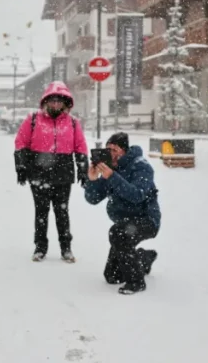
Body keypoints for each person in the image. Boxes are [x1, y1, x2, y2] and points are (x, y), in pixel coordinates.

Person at [14, 81, 88, 262]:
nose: (55, 104)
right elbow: (21, 142)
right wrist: (21, 166)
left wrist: (83, 168)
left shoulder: (73, 123)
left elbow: (80, 146)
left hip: (63, 173)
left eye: (59, 101)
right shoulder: (33, 119)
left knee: (62, 212)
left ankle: (66, 248)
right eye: (52, 100)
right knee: (41, 212)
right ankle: (40, 247)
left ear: (65, 103)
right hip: (38, 172)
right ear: (46, 101)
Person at [84, 132, 161, 295]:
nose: (110, 153)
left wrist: (112, 177)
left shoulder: (141, 166)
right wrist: (92, 180)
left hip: (147, 220)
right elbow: (93, 199)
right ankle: (143, 258)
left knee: (118, 233)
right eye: (108, 149)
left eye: (114, 149)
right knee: (112, 276)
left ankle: (136, 282)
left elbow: (137, 195)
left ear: (124, 151)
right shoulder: (111, 169)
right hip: (125, 222)